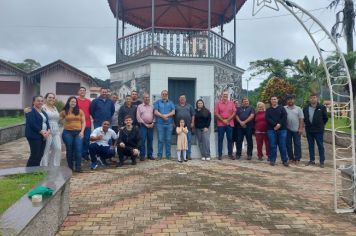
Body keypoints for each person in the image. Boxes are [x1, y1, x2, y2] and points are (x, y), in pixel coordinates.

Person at [60, 96, 86, 172]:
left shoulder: (80, 111)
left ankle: (78, 167)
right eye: (72, 101)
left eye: (75, 102)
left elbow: (83, 122)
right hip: (67, 133)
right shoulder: (64, 111)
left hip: (78, 133)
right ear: (69, 102)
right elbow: (57, 119)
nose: (73, 103)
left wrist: (82, 132)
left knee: (78, 150)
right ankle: (70, 167)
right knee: (69, 150)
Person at [303, 94, 328, 168]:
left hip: (318, 130)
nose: (313, 99)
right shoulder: (306, 108)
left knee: (320, 145)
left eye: (314, 98)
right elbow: (304, 118)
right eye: (311, 98)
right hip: (309, 130)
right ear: (309, 99)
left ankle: (322, 161)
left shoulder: (322, 107)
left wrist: (321, 125)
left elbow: (325, 118)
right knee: (310, 146)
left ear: (317, 99)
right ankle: (312, 160)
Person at [25, 95, 50, 167]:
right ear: (33, 102)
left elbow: (46, 122)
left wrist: (48, 131)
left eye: (42, 101)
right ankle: (29, 171)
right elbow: (32, 123)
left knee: (40, 154)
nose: (40, 102)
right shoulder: (30, 110)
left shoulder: (43, 112)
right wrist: (41, 131)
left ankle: (36, 170)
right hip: (34, 135)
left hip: (43, 136)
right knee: (35, 154)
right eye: (38, 101)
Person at [265, 95, 289, 167]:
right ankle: (272, 160)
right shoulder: (268, 110)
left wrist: (279, 124)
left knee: (282, 145)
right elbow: (267, 118)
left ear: (277, 100)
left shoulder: (282, 108)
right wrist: (275, 125)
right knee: (272, 145)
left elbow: (284, 117)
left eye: (275, 99)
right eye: (272, 99)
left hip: (282, 130)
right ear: (271, 101)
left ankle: (284, 160)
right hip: (271, 130)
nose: (273, 100)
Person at [154, 90, 175, 160]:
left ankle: (168, 155)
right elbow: (155, 112)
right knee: (160, 140)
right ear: (161, 95)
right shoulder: (157, 102)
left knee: (168, 140)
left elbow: (173, 112)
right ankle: (159, 155)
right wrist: (163, 116)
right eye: (163, 94)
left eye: (165, 94)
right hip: (160, 124)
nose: (164, 95)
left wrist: (166, 115)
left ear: (167, 95)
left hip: (169, 124)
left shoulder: (171, 102)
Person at [41, 93, 61, 167]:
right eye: (49, 97)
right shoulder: (43, 108)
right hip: (47, 130)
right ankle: (44, 167)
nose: (51, 99)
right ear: (46, 98)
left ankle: (55, 166)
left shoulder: (55, 108)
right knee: (46, 149)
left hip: (56, 130)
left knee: (58, 148)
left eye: (53, 98)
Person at [214, 91, 236, 160]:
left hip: (229, 123)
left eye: (226, 94)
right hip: (221, 124)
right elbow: (216, 113)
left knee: (230, 139)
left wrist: (228, 120)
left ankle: (230, 154)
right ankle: (220, 155)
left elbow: (234, 112)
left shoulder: (231, 103)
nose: (225, 96)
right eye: (224, 94)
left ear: (228, 96)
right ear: (222, 95)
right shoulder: (218, 103)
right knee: (220, 139)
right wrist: (223, 120)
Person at [284, 94, 304, 165]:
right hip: (287, 130)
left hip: (296, 130)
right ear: (287, 101)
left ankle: (297, 158)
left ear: (294, 100)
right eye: (288, 99)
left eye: (291, 99)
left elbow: (301, 119)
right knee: (288, 144)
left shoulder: (298, 109)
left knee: (297, 144)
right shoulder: (284, 108)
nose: (290, 101)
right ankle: (291, 158)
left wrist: (301, 128)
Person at [174, 95, 195, 160]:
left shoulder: (189, 106)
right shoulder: (176, 106)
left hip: (187, 127)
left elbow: (193, 115)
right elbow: (173, 115)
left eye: (183, 98)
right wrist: (173, 123)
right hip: (179, 127)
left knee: (188, 141)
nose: (182, 99)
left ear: (185, 99)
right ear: (179, 99)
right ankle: (180, 156)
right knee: (179, 142)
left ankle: (188, 155)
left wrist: (192, 122)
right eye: (181, 98)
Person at [136, 93, 155, 161]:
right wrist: (145, 124)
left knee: (150, 140)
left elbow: (154, 115)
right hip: (143, 126)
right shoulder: (139, 106)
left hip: (151, 125)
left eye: (148, 97)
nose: (147, 98)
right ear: (143, 99)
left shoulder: (152, 106)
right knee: (142, 140)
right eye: (145, 97)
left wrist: (153, 123)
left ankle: (150, 155)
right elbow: (138, 117)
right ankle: (142, 155)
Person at [77, 87, 92, 161]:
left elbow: (92, 111)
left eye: (83, 90)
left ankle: (85, 154)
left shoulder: (89, 101)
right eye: (81, 90)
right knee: (79, 140)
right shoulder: (75, 101)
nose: (82, 91)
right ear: (78, 92)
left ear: (85, 92)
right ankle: (78, 154)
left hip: (88, 123)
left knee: (86, 139)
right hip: (77, 124)